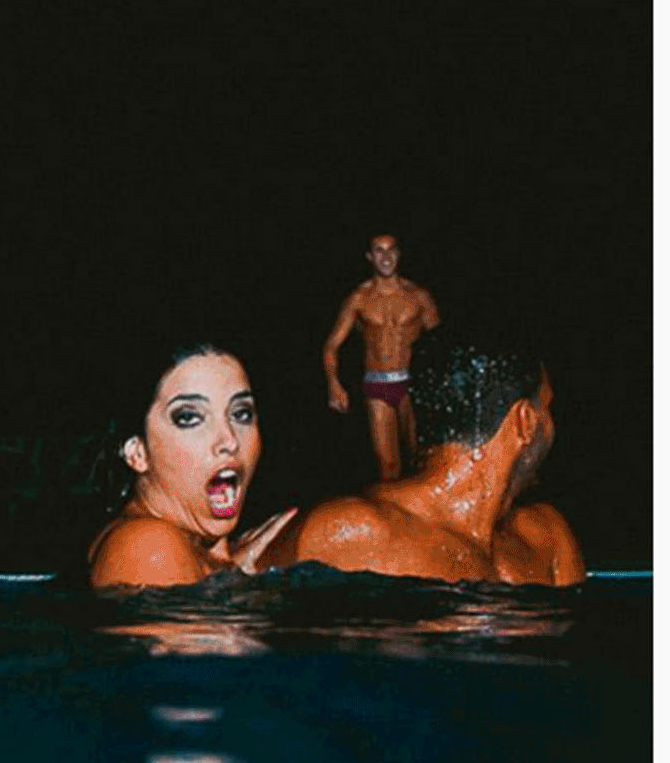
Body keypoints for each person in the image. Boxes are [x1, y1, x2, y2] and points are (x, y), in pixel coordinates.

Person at [265, 333, 582, 584]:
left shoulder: (548, 538)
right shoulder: (351, 532)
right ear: (525, 421)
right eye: (548, 409)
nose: (553, 427)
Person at [87, 343, 295, 590]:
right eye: (189, 418)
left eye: (241, 414)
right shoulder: (147, 548)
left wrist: (229, 571)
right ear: (138, 453)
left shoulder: (175, 545)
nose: (229, 440)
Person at [322, 233, 441, 479]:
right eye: (379, 250)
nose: (386, 257)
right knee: (388, 467)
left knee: (423, 460)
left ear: (399, 254)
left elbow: (441, 344)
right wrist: (334, 385)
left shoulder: (418, 296)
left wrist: (440, 385)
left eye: (391, 250)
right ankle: (392, 517)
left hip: (413, 384)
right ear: (369, 257)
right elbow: (331, 346)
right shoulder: (359, 299)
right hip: (377, 384)